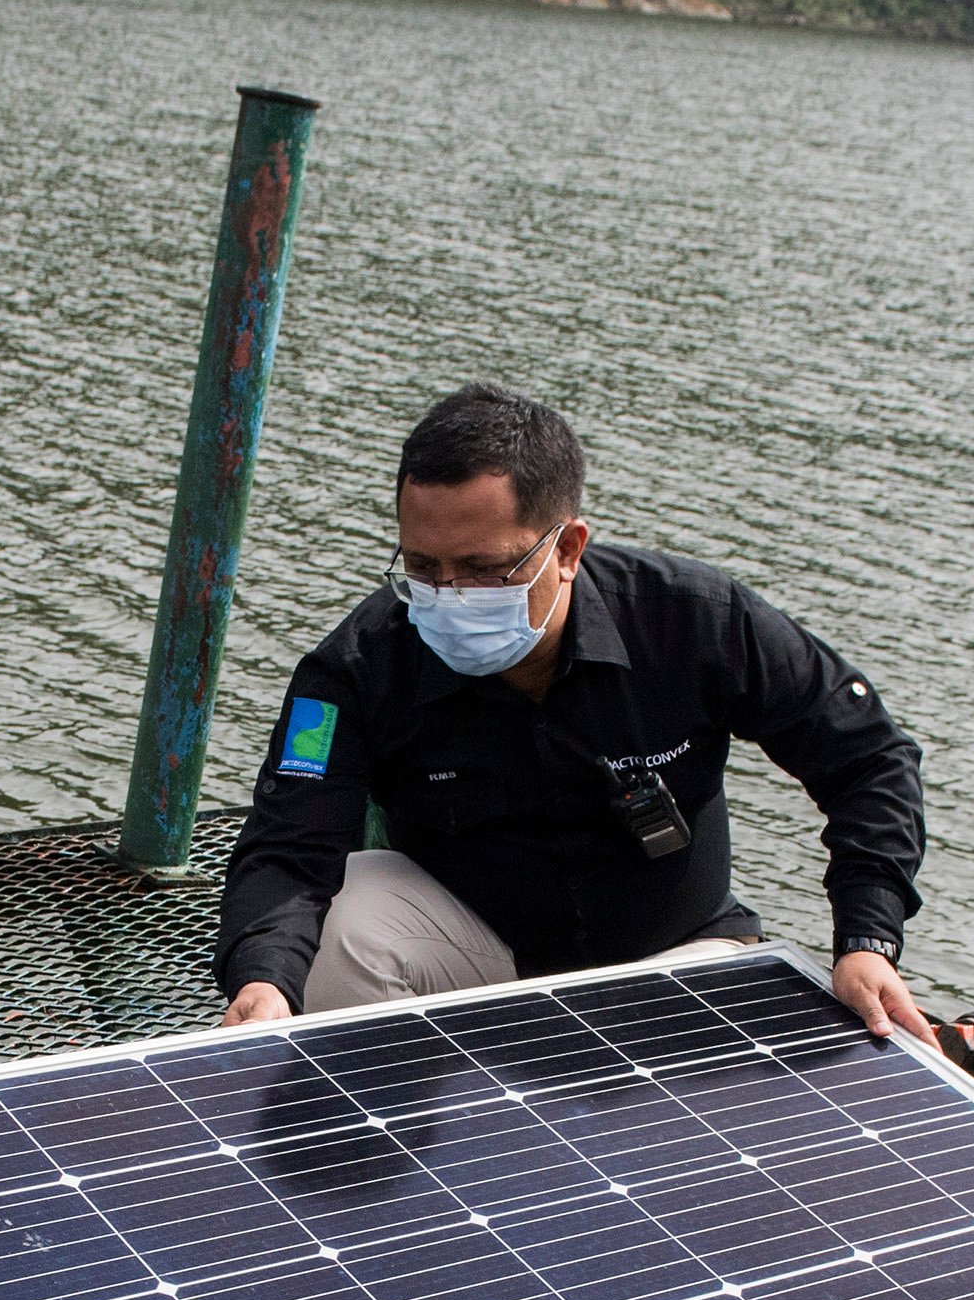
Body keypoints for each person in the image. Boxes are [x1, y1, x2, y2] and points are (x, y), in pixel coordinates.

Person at [214, 383, 932, 1042]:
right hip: (481, 961)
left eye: (484, 569)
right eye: (423, 568)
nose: (448, 595)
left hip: (678, 954)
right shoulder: (352, 669)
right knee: (344, 918)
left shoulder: (696, 621)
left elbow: (869, 758)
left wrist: (866, 938)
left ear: (567, 549)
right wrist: (264, 980)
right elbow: (289, 845)